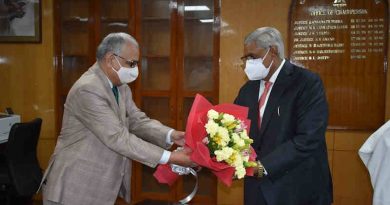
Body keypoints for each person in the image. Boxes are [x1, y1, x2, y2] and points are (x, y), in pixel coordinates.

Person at [40, 33, 194, 205]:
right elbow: (117, 137)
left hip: (100, 186)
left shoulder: (120, 87)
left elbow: (137, 120)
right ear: (111, 59)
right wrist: (170, 157)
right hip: (75, 186)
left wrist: (172, 135)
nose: (135, 69)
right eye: (131, 63)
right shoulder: (88, 89)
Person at [234, 27, 333, 205]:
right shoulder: (247, 90)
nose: (248, 63)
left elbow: (308, 138)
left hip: (296, 189)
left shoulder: (306, 83)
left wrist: (261, 168)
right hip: (256, 190)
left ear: (272, 51)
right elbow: (235, 128)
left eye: (253, 57)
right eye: (246, 58)